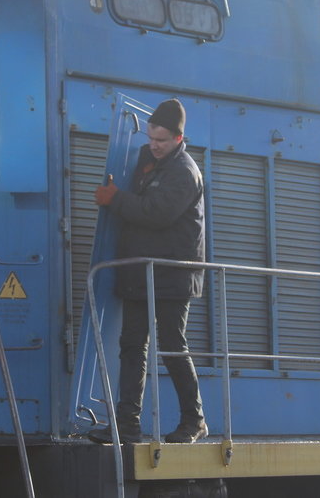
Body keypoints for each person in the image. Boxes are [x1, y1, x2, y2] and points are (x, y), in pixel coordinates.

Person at [88, 98, 208, 444]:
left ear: (178, 139)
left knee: (172, 345)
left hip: (172, 274)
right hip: (140, 271)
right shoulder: (149, 161)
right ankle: (127, 425)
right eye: (151, 138)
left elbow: (157, 213)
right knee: (132, 345)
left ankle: (194, 421)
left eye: (162, 141)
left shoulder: (184, 172)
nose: (154, 146)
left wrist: (115, 199)